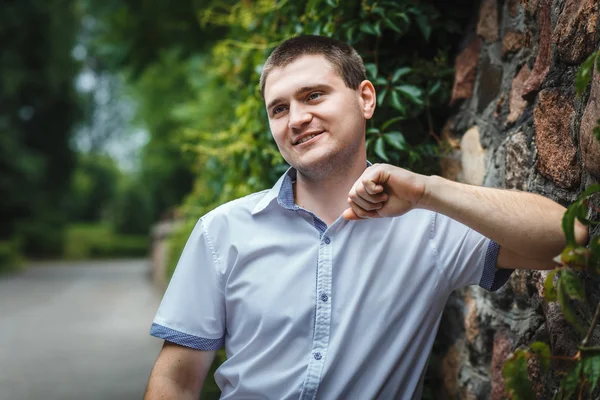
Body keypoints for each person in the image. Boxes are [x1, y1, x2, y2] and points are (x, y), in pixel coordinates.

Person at [144, 35, 589, 400]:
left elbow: (569, 238)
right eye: (279, 109)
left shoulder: (428, 224)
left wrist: (427, 190)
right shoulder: (223, 231)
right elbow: (176, 381)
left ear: (366, 99)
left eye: (313, 95)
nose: (297, 119)